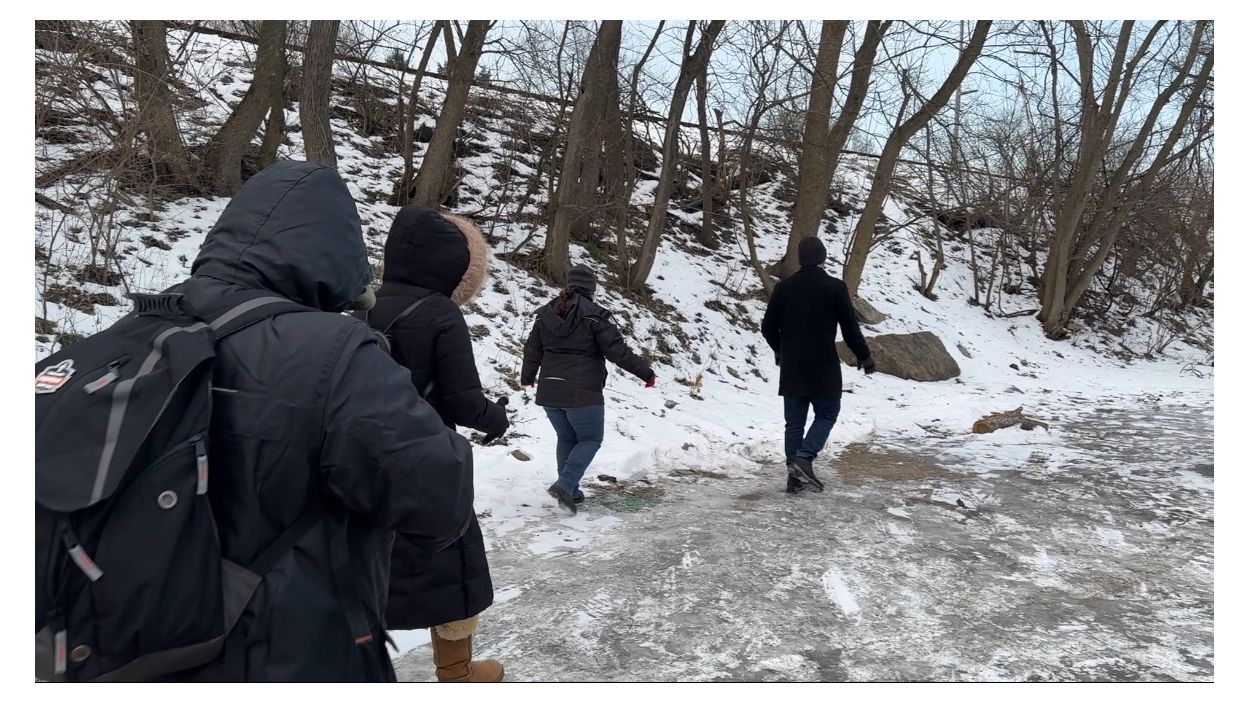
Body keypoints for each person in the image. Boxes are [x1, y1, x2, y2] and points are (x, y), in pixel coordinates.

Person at [177, 161, 476, 680]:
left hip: (141, 634)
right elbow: (439, 500)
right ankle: (458, 670)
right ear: (334, 251)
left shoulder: (135, 335)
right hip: (287, 644)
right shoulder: (332, 350)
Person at [364, 206, 507, 682]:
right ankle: (457, 672)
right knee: (452, 563)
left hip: (365, 457)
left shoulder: (361, 305)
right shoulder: (440, 313)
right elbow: (464, 402)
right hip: (429, 461)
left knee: (368, 563)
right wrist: (497, 418)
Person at [521, 264, 655, 514]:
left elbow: (532, 350)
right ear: (592, 288)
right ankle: (565, 485)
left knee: (567, 438)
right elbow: (618, 352)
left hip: (550, 389)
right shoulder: (596, 315)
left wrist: (527, 377)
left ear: (569, 285)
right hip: (582, 391)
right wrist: (645, 373)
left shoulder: (545, 314)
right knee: (590, 439)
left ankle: (570, 491)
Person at [761, 236, 875, 494]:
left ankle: (794, 476)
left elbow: (767, 327)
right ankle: (804, 459)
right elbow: (850, 328)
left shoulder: (783, 288)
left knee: (794, 423)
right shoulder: (834, 287)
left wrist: (780, 349)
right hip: (823, 365)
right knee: (827, 413)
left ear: (800, 259)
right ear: (823, 257)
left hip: (792, 366)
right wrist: (864, 356)